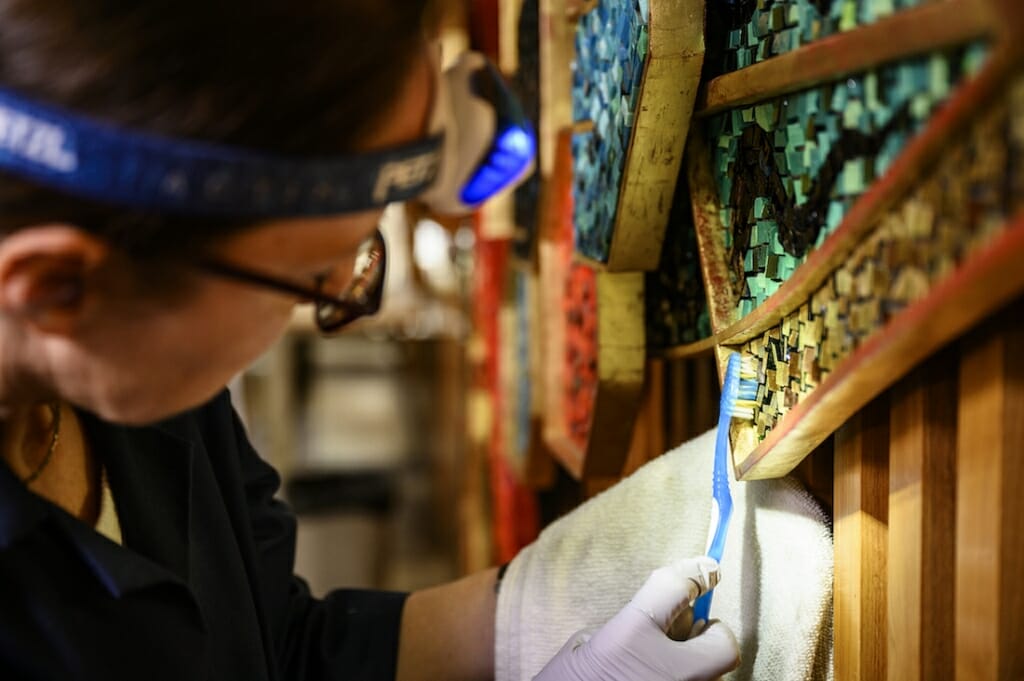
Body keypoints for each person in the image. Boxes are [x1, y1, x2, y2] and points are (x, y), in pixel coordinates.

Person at [0, 1, 739, 679]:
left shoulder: (138, 368)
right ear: (56, 288)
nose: (348, 288)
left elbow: (283, 646)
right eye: (320, 276)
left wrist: (549, 597)